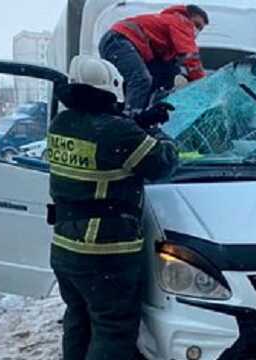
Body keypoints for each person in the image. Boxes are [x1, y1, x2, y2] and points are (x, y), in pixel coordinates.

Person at [47, 55, 179, 360]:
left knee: (78, 320)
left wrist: (138, 121)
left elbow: (101, 132)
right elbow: (164, 163)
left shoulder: (61, 124)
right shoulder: (118, 132)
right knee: (113, 328)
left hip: (65, 247)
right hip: (105, 254)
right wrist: (156, 130)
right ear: (112, 90)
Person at [99, 4, 209, 112]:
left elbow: (169, 67)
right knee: (141, 79)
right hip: (120, 40)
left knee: (164, 76)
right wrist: (204, 84)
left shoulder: (167, 37)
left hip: (120, 42)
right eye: (196, 24)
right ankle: (132, 119)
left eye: (200, 28)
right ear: (187, 17)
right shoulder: (180, 21)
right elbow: (190, 56)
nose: (196, 30)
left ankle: (145, 114)